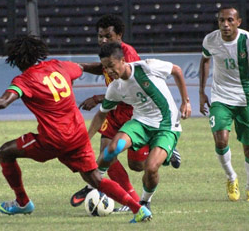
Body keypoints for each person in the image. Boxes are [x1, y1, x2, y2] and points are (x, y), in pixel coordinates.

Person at [0, 35, 151, 223]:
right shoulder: (59, 65)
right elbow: (92, 67)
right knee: (96, 179)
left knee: (5, 152)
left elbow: (2, 102)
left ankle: (22, 203)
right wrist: (117, 71)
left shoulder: (24, 80)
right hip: (78, 135)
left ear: (16, 60)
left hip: (54, 139)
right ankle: (138, 209)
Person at [70, 14, 181, 211]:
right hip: (114, 110)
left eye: (108, 36)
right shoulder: (108, 57)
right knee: (108, 151)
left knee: (138, 165)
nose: (103, 40)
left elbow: (129, 81)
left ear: (119, 35)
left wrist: (97, 98)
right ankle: (119, 193)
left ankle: (164, 150)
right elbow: (106, 70)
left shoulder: (129, 55)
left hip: (131, 111)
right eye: (100, 36)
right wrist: (84, 68)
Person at [88, 41, 191, 215]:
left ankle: (145, 201)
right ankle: (94, 183)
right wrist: (85, 139)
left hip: (167, 126)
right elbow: (101, 114)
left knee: (151, 169)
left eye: (112, 66)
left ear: (122, 60)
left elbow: (177, 71)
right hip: (140, 123)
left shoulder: (147, 67)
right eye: (106, 68)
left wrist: (185, 101)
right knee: (114, 147)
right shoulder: (115, 87)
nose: (110, 72)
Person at [199, 7, 249, 202]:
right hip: (220, 98)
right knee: (221, 140)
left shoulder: (248, 40)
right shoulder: (210, 40)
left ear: (238, 22)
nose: (225, 24)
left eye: (230, 20)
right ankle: (231, 177)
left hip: (245, 100)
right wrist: (201, 92)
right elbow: (205, 61)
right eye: (221, 20)